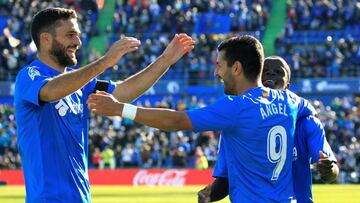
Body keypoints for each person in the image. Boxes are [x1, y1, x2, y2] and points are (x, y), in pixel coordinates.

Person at [88, 35, 316, 202]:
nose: (216, 72)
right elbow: (309, 111)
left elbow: (176, 121)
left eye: (219, 65)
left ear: (236, 68)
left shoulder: (236, 107)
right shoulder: (289, 101)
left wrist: (121, 109)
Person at [14, 7, 194, 202]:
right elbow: (49, 91)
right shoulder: (29, 75)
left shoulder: (83, 84)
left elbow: (124, 92)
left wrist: (165, 60)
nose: (78, 42)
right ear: (46, 39)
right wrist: (105, 61)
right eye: (70, 35)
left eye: (78, 35)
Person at [197, 56, 339, 203]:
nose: (270, 74)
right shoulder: (236, 127)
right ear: (255, 80)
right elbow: (225, 182)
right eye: (264, 71)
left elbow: (331, 172)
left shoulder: (307, 124)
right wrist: (207, 195)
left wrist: (328, 169)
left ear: (287, 87)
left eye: (278, 72)